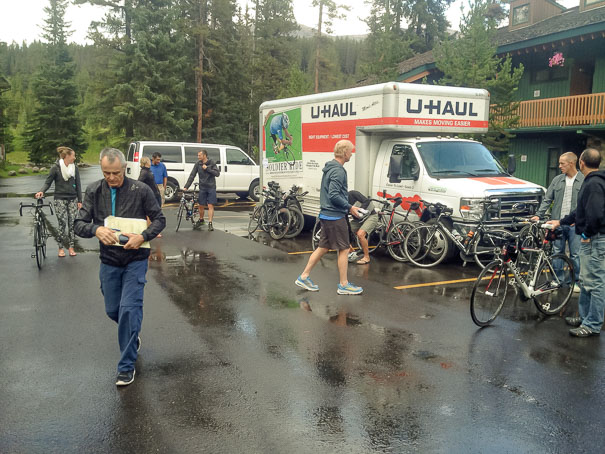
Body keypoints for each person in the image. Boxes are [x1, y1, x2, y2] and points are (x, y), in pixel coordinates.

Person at [74, 148, 166, 386]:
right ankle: (132, 334)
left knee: (129, 309)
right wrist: (96, 229)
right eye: (106, 173)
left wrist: (143, 235)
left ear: (124, 169)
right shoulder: (94, 190)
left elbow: (159, 219)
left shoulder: (141, 190)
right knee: (113, 310)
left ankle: (126, 367)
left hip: (135, 260)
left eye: (115, 173)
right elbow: (79, 224)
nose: (111, 178)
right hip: (109, 261)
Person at [548, 148, 605, 338]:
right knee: (586, 280)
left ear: (581, 163)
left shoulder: (594, 184)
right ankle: (584, 317)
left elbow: (595, 214)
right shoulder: (592, 182)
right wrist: (561, 221)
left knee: (595, 283)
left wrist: (587, 233)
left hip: (596, 240)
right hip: (592, 238)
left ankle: (593, 324)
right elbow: (579, 211)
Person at [295, 140, 363, 295]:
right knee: (344, 249)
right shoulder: (338, 170)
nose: (352, 154)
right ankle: (344, 285)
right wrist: (350, 207)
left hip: (326, 215)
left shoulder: (330, 167)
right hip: (334, 216)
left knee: (323, 247)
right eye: (351, 151)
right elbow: (333, 195)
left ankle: (304, 276)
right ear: (345, 152)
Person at [531, 151, 584, 292]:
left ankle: (576, 281)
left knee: (575, 254)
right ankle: (557, 280)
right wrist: (538, 215)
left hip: (575, 225)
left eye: (562, 163)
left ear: (571, 163)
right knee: (556, 252)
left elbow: (586, 205)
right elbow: (547, 199)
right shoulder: (557, 180)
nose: (559, 165)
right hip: (557, 223)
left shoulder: (584, 180)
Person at [35, 146, 82, 257]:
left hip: (72, 199)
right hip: (60, 199)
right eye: (73, 155)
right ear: (67, 156)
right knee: (62, 223)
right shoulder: (55, 168)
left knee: (71, 224)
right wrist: (41, 191)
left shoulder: (74, 168)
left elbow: (78, 185)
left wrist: (80, 200)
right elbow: (48, 182)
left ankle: (71, 247)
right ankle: (61, 248)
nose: (74, 158)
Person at [184, 149, 220, 231]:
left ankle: (210, 223)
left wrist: (207, 168)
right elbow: (192, 175)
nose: (198, 157)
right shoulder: (198, 164)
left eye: (199, 155)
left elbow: (217, 174)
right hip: (202, 187)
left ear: (204, 155)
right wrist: (186, 186)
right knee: (201, 205)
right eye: (198, 155)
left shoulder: (211, 163)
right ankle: (201, 220)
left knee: (210, 205)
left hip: (211, 187)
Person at [348, 190, 379, 265]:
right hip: (359, 219)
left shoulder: (352, 193)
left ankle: (366, 257)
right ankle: (351, 252)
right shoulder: (340, 202)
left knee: (360, 234)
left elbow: (367, 201)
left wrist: (359, 211)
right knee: (343, 231)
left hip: (371, 216)